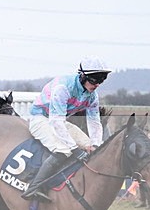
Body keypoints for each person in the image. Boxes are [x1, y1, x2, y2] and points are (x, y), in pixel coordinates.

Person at [21, 58, 111, 202]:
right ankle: (33, 188)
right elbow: (56, 122)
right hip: (40, 119)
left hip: (59, 120)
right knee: (64, 150)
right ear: (83, 76)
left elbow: (94, 121)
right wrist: (74, 148)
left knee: (89, 147)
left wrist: (95, 144)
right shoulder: (63, 87)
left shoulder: (92, 96)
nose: (98, 84)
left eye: (102, 79)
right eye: (95, 79)